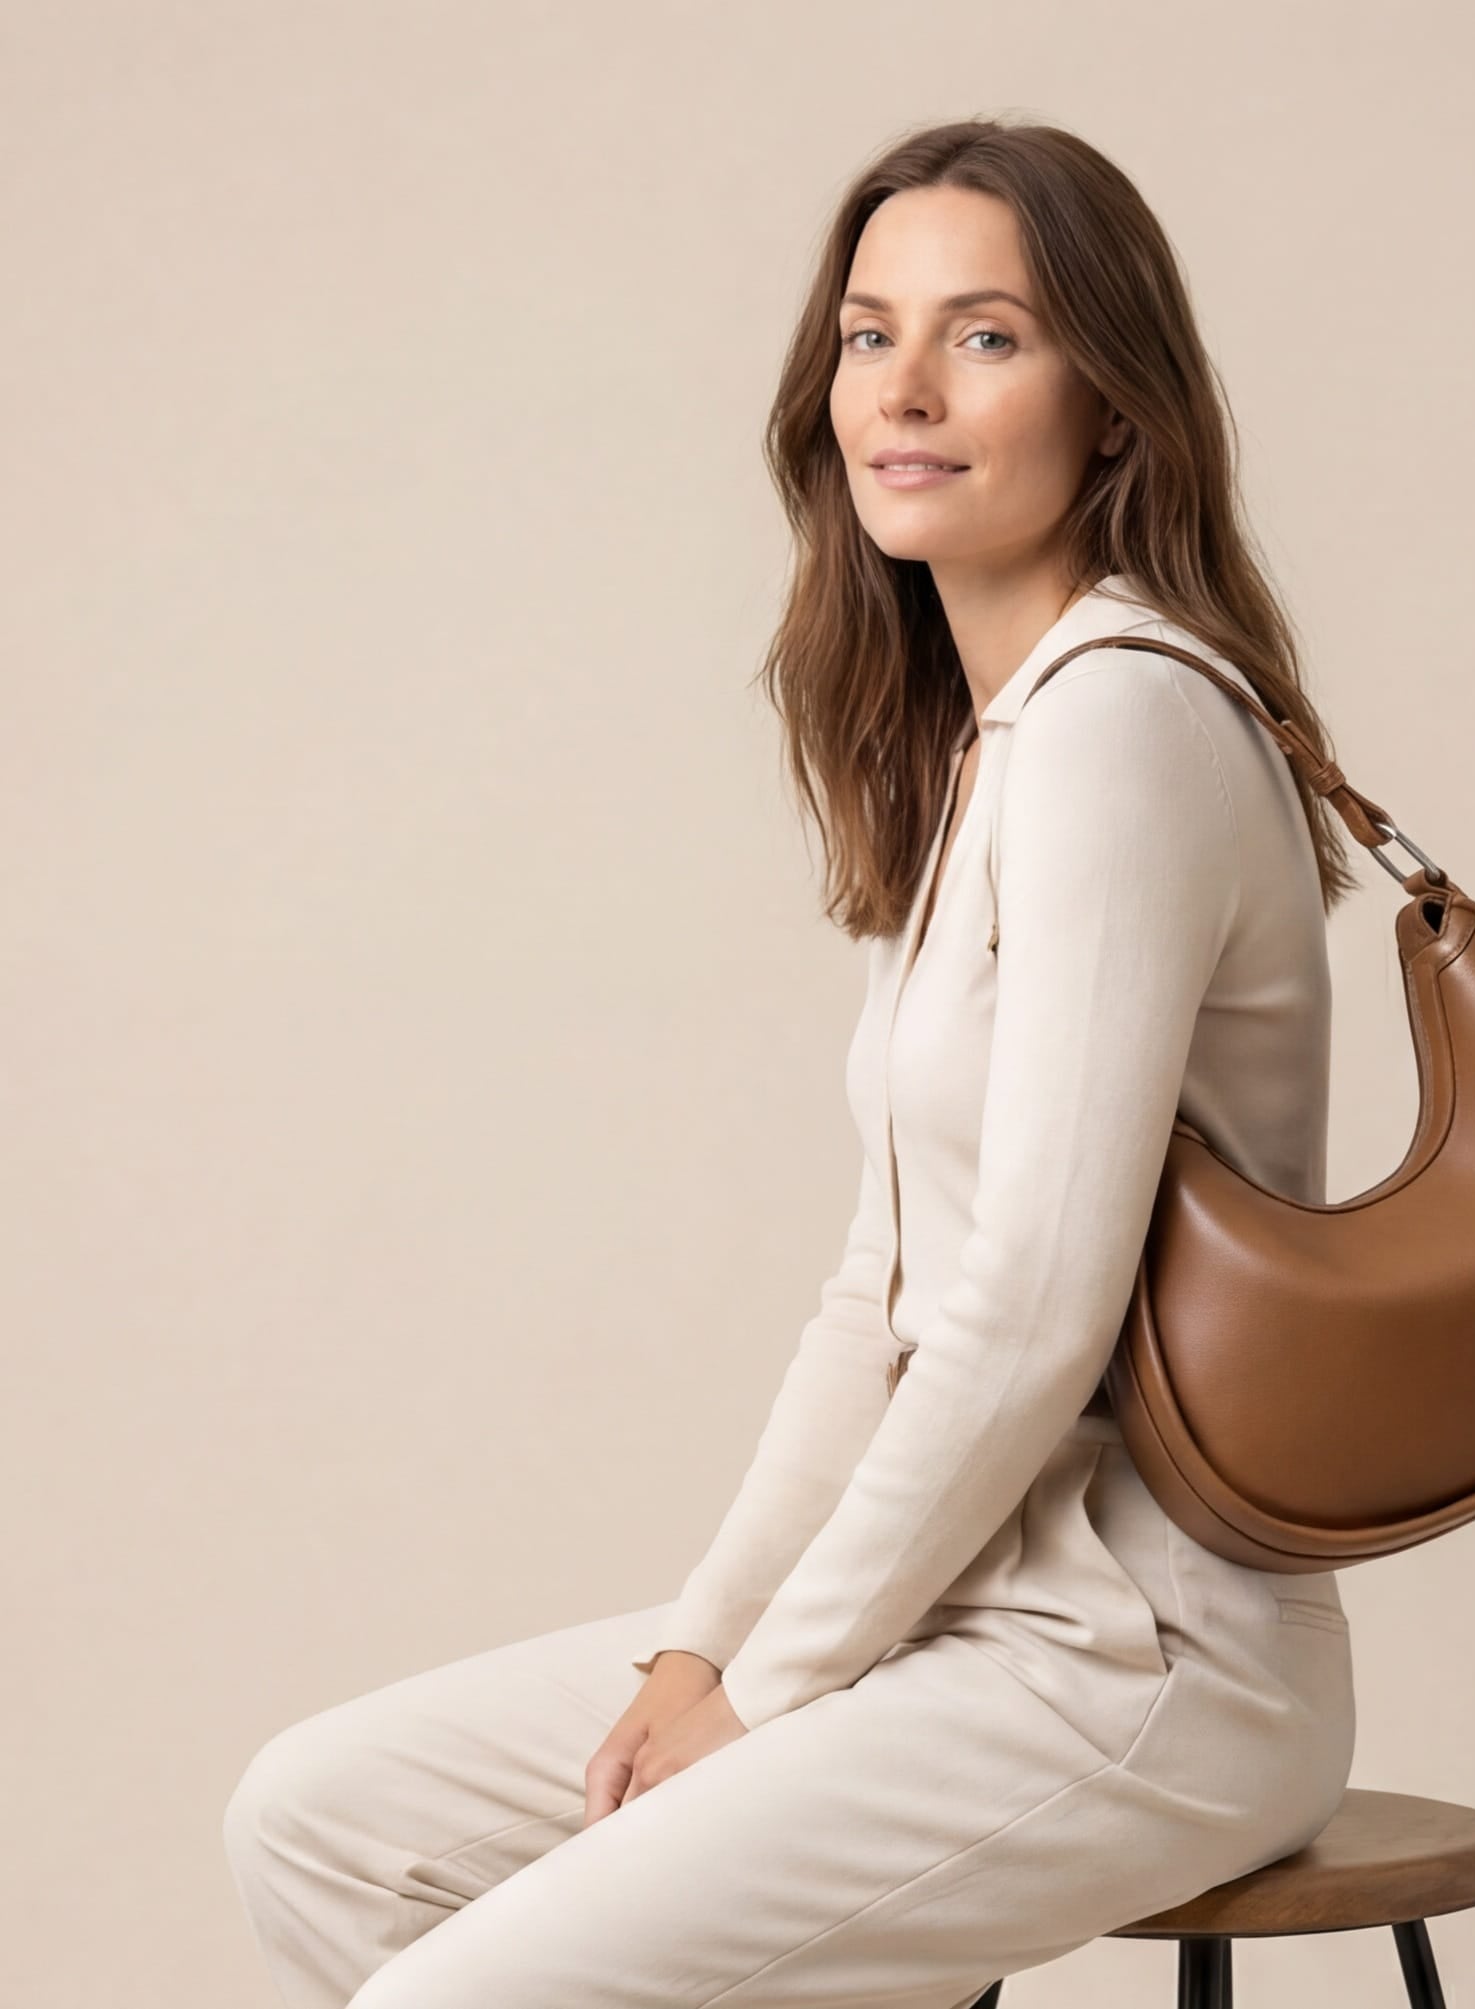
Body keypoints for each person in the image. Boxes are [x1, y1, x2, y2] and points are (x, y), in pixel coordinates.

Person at [223, 115, 1372, 2009]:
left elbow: (1026, 1321)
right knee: (318, 1817)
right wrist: (702, 1647)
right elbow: (883, 1297)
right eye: (866, 334)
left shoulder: (1125, 722)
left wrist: (773, 1688)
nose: (903, 389)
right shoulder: (983, 748)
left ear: (1115, 405)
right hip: (953, 1615)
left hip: (1141, 1661)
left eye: (986, 336)